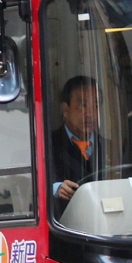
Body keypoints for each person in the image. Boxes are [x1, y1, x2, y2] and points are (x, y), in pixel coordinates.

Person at [50, 75, 104, 204]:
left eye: (95, 106)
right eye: (82, 105)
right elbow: (32, 185)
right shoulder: (47, 145)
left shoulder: (109, 147)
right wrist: (56, 188)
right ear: (65, 109)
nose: (90, 114)